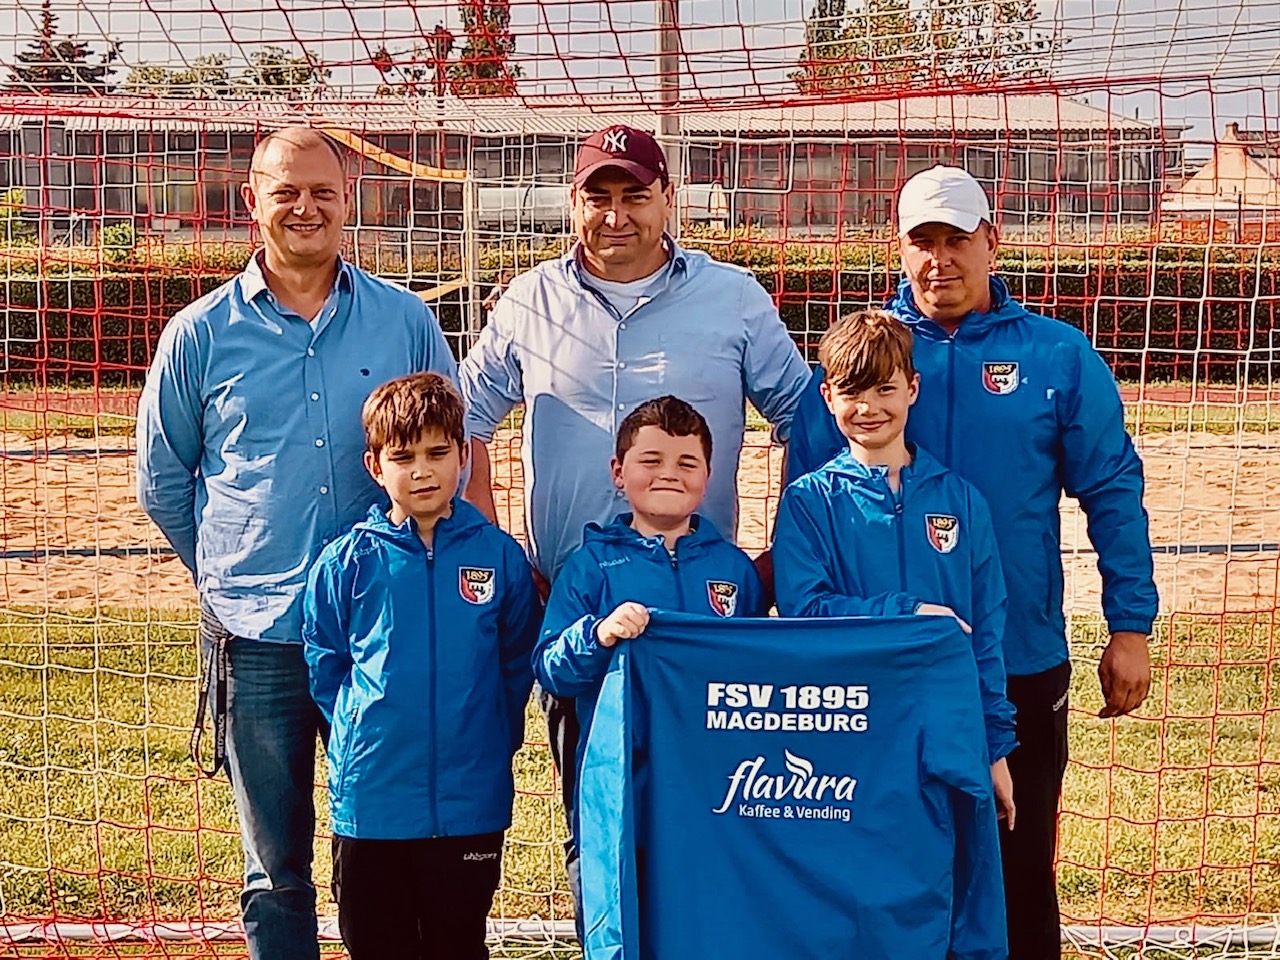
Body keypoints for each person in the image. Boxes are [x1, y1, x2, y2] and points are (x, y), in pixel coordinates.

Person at [785, 165, 1158, 959]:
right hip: (874, 673)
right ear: (899, 247)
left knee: (1015, 864)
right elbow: (807, 515)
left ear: (993, 242)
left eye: (958, 239)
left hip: (1012, 659)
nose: (940, 258)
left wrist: (1131, 624)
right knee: (880, 869)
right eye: (923, 240)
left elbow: (1114, 491)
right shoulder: (861, 362)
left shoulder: (1056, 357)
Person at [458, 124, 809, 931]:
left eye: (634, 196)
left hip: (699, 625)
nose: (615, 215)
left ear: (667, 200)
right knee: (598, 835)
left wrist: (781, 551)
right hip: (580, 610)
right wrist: (497, 546)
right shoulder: (529, 300)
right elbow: (464, 417)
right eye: (598, 196)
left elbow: (804, 417)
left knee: (711, 828)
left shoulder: (733, 298)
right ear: (573, 202)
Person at [135, 126, 458, 960]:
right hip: (260, 635)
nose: (304, 207)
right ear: (253, 203)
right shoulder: (199, 335)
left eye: (322, 191)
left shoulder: (407, 321)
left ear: (350, 202)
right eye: (286, 191)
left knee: (382, 848)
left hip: (378, 640)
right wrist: (230, 574)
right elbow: (164, 482)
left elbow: (454, 445)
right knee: (275, 869)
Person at [302, 372, 539, 960]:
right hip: (373, 799)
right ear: (375, 466)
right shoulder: (347, 561)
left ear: (464, 454)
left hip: (469, 801)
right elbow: (326, 661)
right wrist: (359, 734)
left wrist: (488, 738)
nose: (423, 470)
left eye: (438, 452)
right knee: (377, 943)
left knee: (457, 942)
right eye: (403, 456)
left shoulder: (500, 558)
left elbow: (516, 664)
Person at [771, 308, 1017, 829]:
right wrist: (909, 613)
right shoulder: (809, 502)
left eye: (884, 389)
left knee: (938, 884)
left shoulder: (962, 501)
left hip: (942, 726)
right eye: (853, 392)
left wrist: (994, 747)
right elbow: (804, 610)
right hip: (846, 725)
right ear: (828, 397)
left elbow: (986, 632)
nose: (868, 408)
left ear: (913, 388)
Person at [534, 396, 767, 868]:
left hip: (713, 786)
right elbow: (551, 667)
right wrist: (598, 634)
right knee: (618, 913)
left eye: (687, 462)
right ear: (618, 471)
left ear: (708, 476)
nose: (669, 473)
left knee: (702, 915)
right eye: (651, 460)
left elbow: (756, 669)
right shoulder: (592, 565)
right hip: (620, 786)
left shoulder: (734, 570)